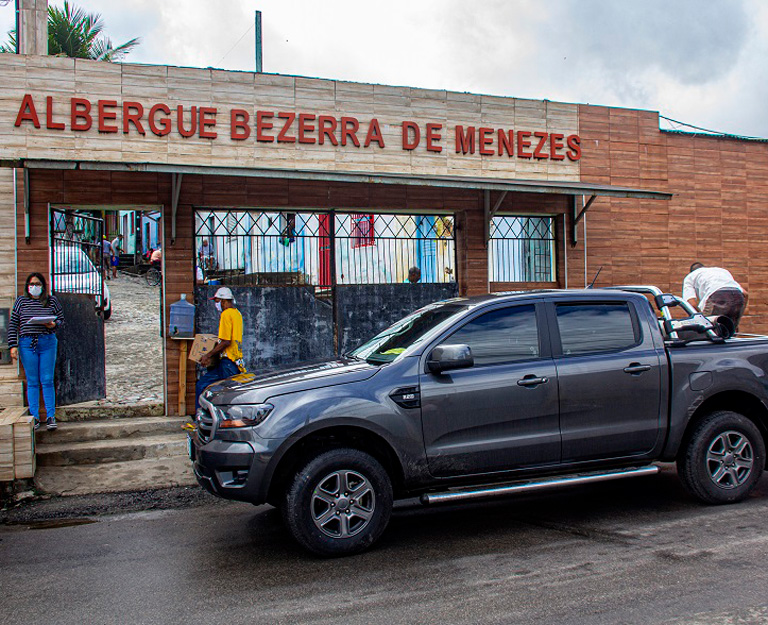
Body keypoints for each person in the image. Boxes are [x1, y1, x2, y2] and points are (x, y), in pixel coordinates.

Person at [8, 273, 65, 431]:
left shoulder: (51, 300)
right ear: (27, 286)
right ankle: (34, 417)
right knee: (32, 381)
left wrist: (53, 324)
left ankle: (50, 415)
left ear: (43, 286)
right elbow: (13, 323)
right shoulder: (21, 302)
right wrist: (13, 345)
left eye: (38, 284)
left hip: (47, 342)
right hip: (27, 344)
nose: (34, 287)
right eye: (32, 284)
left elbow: (61, 319)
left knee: (47, 379)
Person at [195, 287, 246, 410]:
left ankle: (202, 417)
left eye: (217, 301)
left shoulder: (226, 314)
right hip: (235, 360)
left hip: (228, 362)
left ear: (223, 301)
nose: (216, 304)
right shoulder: (237, 313)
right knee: (204, 385)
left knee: (229, 395)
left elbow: (226, 341)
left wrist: (208, 355)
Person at [683, 262, 748, 331]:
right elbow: (745, 294)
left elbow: (692, 305)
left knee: (708, 331)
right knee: (730, 331)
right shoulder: (722, 271)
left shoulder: (690, 277)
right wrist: (739, 313)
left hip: (717, 297)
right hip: (738, 296)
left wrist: (700, 319)